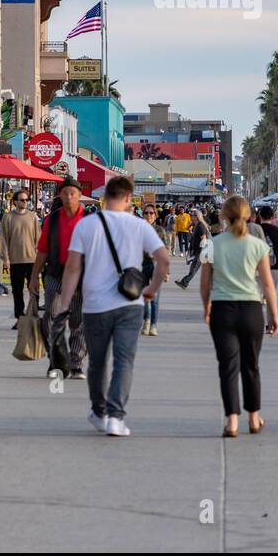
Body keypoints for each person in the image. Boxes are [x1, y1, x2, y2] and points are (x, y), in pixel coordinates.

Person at [52, 175, 170, 436]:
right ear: (128, 198)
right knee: (124, 361)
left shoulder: (86, 225)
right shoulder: (140, 226)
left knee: (97, 361)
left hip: (95, 305)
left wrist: (64, 303)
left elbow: (72, 267)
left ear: (105, 196)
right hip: (130, 304)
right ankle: (116, 417)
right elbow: (163, 259)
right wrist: (152, 289)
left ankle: (99, 410)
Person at [201, 195, 278, 437]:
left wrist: (207, 307)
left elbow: (205, 284)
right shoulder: (257, 245)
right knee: (251, 365)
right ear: (248, 216)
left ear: (224, 215)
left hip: (223, 310)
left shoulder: (212, 244)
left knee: (228, 366)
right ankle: (254, 418)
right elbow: (267, 285)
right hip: (251, 310)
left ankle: (232, 421)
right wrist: (273, 315)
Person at [28, 177, 88, 379]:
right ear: (60, 195)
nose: (69, 197)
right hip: (55, 274)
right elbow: (43, 250)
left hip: (81, 277)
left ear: (80, 196)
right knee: (51, 319)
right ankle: (57, 361)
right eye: (65, 193)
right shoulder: (52, 220)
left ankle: (76, 363)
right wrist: (34, 277)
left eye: (73, 193)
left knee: (79, 322)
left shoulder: (89, 220)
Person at [0, 188, 41, 319]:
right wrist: (5, 258)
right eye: (22, 200)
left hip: (32, 260)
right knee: (17, 291)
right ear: (15, 202)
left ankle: (33, 313)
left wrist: (40, 257)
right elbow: (4, 239)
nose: (25, 202)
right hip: (15, 260)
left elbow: (39, 238)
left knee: (34, 289)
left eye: (26, 200)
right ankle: (20, 316)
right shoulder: (8, 217)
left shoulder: (32, 217)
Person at [140, 203, 163, 335]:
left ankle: (153, 325)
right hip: (142, 266)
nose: (148, 215)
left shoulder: (160, 230)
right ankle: (146, 321)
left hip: (156, 266)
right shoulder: (139, 229)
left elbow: (165, 251)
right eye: (146, 213)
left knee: (155, 298)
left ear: (155, 215)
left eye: (151, 213)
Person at [175, 208, 212, 287]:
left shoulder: (200, 226)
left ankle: (184, 282)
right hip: (199, 250)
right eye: (191, 215)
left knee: (195, 267)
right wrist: (192, 249)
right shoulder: (197, 225)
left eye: (193, 215)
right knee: (195, 267)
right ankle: (184, 282)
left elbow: (204, 238)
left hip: (202, 250)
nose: (191, 216)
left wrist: (201, 252)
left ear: (197, 216)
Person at [256, 205, 278, 298]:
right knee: (270, 294)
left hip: (257, 266)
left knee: (257, 294)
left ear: (260, 216)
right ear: (272, 217)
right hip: (274, 265)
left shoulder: (255, 229)